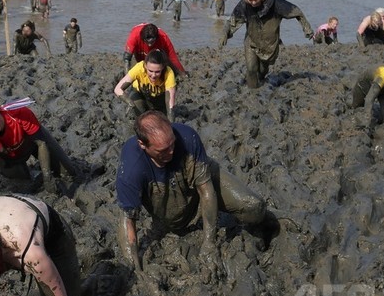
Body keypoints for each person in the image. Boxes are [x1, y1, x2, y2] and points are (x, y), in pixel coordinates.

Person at [116, 111, 279, 277]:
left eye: (172, 144)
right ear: (143, 145)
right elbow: (128, 220)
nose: (171, 152)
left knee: (253, 206)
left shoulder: (187, 137)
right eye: (163, 150)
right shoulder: (130, 170)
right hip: (166, 201)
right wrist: (135, 268)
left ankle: (271, 220)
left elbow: (206, 189)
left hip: (200, 179)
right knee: (176, 223)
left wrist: (209, 242)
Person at [0, 85, 76, 201]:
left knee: (69, 173)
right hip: (10, 158)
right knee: (23, 188)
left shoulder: (19, 113)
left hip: (34, 144)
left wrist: (47, 176)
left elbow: (41, 144)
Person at [219, 0, 313, 89]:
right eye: (250, 0)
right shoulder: (244, 5)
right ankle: (252, 91)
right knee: (251, 68)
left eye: (256, 0)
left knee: (263, 70)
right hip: (251, 41)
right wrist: (224, 33)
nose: (253, 3)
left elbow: (297, 12)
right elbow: (232, 21)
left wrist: (307, 29)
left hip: (270, 45)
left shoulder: (276, 4)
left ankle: (261, 78)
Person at [114, 50, 176, 120]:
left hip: (159, 98)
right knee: (138, 113)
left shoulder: (169, 73)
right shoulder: (139, 68)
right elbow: (118, 89)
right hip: (140, 94)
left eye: (157, 72)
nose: (153, 75)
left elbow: (170, 103)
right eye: (150, 71)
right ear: (145, 66)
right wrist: (129, 102)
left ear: (163, 68)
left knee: (161, 119)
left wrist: (171, 125)